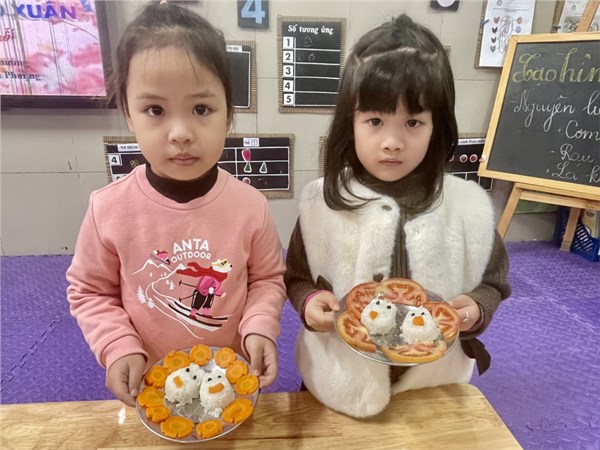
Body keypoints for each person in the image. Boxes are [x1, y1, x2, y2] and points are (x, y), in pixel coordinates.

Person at [284, 14, 511, 418]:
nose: (392, 142)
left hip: (432, 388)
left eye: (413, 122)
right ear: (350, 123)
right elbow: (298, 277)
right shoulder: (320, 203)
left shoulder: (468, 207)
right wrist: (310, 301)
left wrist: (477, 308)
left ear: (437, 126)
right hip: (337, 381)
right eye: (375, 121)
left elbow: (493, 282)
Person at [66, 1, 286, 407]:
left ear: (229, 113)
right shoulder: (107, 209)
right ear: (128, 114)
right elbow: (89, 292)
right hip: (152, 384)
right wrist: (117, 344)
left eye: (201, 109)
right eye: (155, 110)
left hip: (228, 381)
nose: (181, 132)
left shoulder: (250, 206)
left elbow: (267, 279)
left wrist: (259, 325)